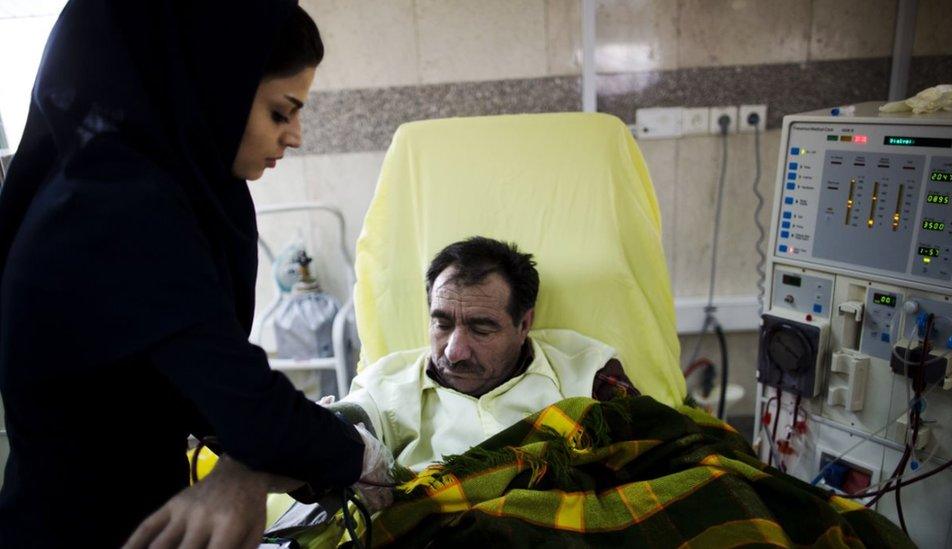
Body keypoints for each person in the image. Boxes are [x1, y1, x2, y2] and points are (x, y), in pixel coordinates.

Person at [0, 2, 389, 547]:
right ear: (213, 89)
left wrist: (247, 466)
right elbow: (253, 412)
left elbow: (214, 398)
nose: (295, 135)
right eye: (281, 112)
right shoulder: (116, 210)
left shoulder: (134, 191)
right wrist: (357, 453)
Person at [335, 237, 638, 471]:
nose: (454, 353)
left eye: (481, 329)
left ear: (524, 324)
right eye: (441, 323)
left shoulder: (587, 371)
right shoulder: (385, 386)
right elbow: (339, 428)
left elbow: (652, 451)